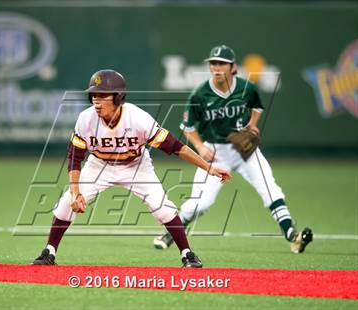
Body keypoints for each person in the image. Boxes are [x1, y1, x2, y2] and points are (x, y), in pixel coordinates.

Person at [32, 69, 232, 267]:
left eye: (103, 95)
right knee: (67, 202)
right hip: (99, 165)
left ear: (118, 97)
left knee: (162, 207)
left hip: (136, 166)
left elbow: (176, 147)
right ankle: (49, 251)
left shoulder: (138, 119)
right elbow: (75, 156)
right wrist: (76, 192)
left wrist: (208, 168)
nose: (96, 100)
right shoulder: (86, 118)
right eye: (94, 94)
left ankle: (187, 254)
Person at [153, 45, 313, 254]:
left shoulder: (247, 88)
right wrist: (200, 146)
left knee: (270, 189)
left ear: (232, 67)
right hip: (215, 152)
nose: (216, 68)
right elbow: (188, 128)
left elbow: (256, 107)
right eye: (213, 63)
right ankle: (170, 233)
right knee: (201, 203)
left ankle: (292, 234)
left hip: (244, 149)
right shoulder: (200, 95)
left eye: (221, 64)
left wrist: (253, 125)